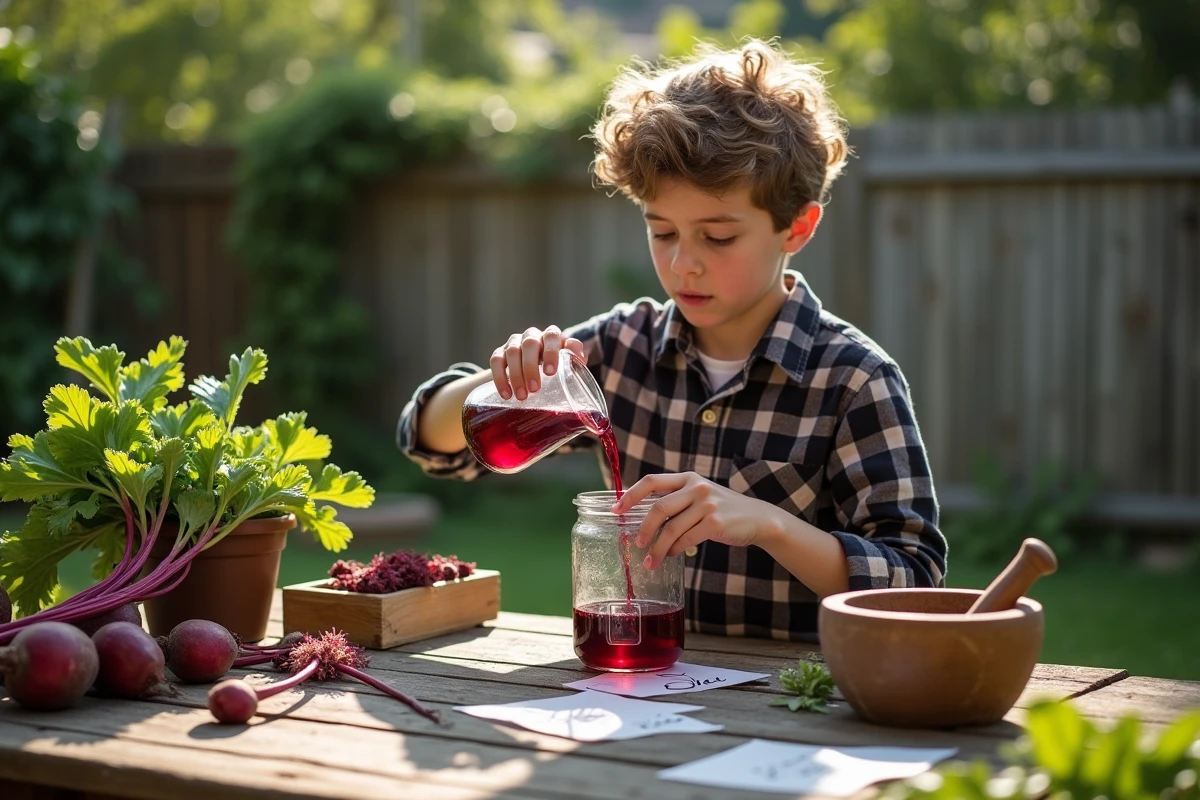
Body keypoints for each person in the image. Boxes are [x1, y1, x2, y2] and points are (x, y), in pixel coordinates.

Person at [397, 38, 946, 641]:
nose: (684, 264)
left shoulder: (854, 381)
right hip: (642, 696)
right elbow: (428, 442)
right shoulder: (620, 349)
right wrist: (502, 380)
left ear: (797, 227)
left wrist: (769, 524)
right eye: (662, 232)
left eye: (717, 237)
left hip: (791, 708)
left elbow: (916, 585)